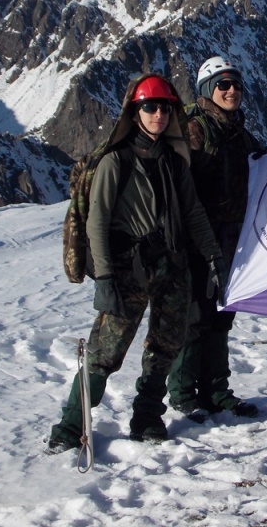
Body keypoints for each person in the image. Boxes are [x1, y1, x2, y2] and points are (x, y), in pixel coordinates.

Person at [48, 73, 223, 451]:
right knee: (105, 352)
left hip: (172, 264)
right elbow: (97, 220)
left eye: (165, 107)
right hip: (130, 267)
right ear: (135, 111)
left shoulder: (175, 161)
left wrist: (212, 256)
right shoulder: (117, 160)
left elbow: (193, 212)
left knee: (165, 344)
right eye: (150, 107)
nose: (158, 114)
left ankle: (147, 417)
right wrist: (106, 277)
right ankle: (69, 427)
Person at [167, 56, 267, 420]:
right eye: (223, 85)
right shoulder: (194, 128)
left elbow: (261, 163)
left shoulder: (239, 132)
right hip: (196, 239)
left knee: (221, 315)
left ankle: (215, 390)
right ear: (208, 89)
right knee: (195, 315)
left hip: (231, 240)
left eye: (236, 85)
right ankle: (182, 393)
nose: (232, 91)